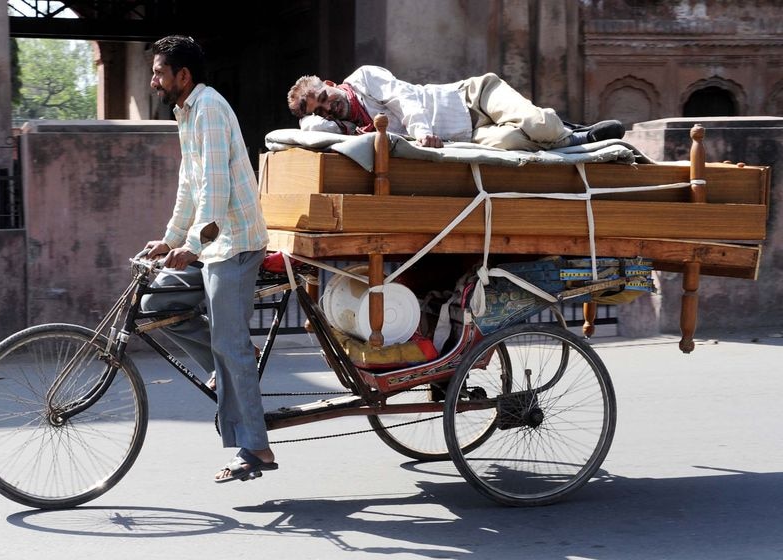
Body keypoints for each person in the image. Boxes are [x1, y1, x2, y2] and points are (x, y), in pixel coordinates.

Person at [141, 35, 275, 484]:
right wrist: (168, 240)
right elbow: (189, 187)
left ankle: (256, 446)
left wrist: (192, 247)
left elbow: (215, 192)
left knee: (229, 342)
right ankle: (227, 364)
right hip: (211, 242)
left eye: (160, 72)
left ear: (184, 75)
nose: (154, 79)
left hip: (234, 242)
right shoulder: (186, 113)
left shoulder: (211, 109)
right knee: (156, 305)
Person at [287, 65, 625, 151]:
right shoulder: (345, 128)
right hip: (470, 135)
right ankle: (574, 140)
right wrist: (311, 116)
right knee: (512, 145)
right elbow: (310, 132)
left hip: (471, 97)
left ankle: (579, 134)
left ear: (330, 84)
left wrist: (421, 133)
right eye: (322, 110)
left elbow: (404, 101)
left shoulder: (363, 78)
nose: (330, 108)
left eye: (325, 98)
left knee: (536, 125)